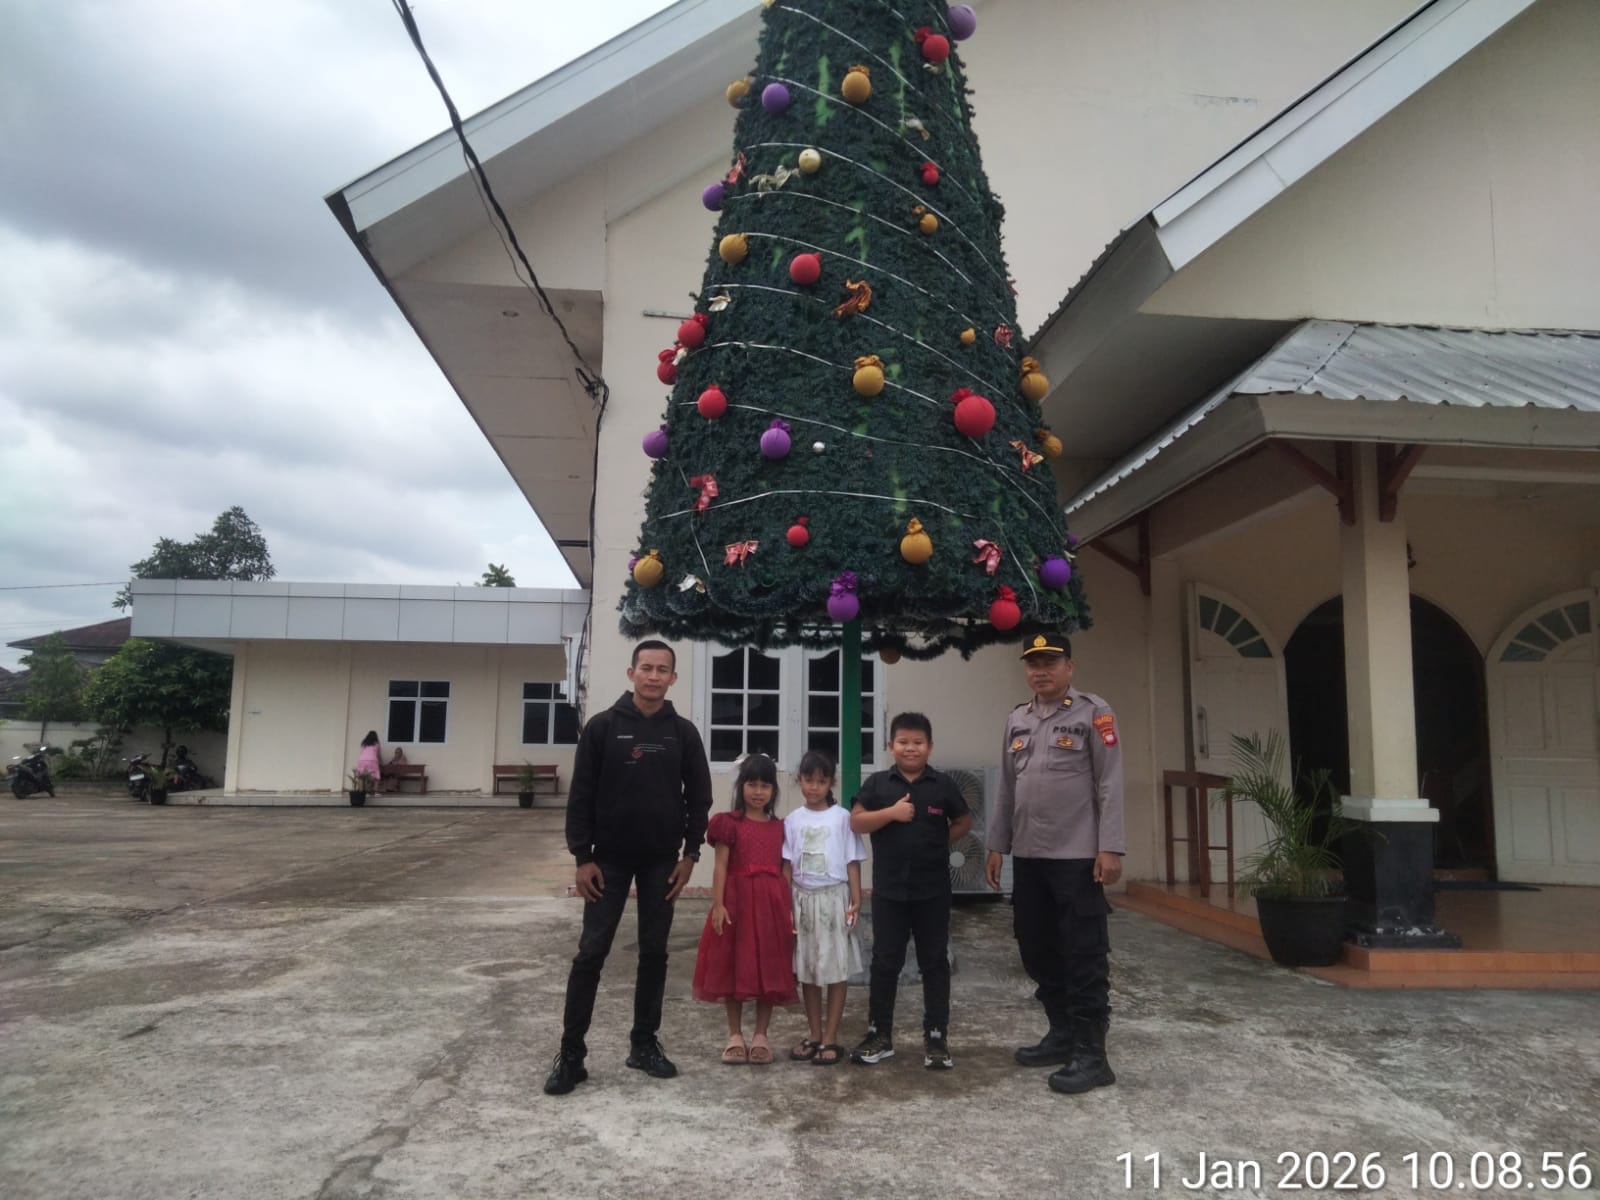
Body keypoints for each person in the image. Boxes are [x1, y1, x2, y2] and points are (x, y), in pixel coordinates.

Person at [544, 640, 713, 1096]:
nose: (654, 676)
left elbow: (699, 798)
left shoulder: (683, 733)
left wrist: (691, 855)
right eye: (647, 668)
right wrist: (582, 858)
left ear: (673, 678)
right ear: (631, 672)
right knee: (590, 954)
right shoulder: (602, 728)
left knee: (654, 953)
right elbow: (580, 796)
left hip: (661, 863)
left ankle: (644, 1044)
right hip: (607, 863)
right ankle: (571, 1055)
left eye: (662, 669)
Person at [985, 633, 1125, 1096]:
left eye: (1050, 662)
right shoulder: (1017, 719)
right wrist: (997, 844)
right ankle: (1062, 1033)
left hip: (1078, 856)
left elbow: (1109, 783)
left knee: (1083, 953)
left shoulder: (1093, 713)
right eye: (1033, 663)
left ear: (1069, 667)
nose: (1040, 670)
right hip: (1029, 854)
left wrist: (1111, 847)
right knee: (1036, 945)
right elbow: (1007, 788)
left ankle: (1092, 1055)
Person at [848, 713, 972, 1069]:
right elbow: (856, 821)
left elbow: (964, 820)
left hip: (933, 891)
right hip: (889, 892)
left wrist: (939, 842)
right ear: (891, 746)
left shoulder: (942, 785)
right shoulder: (878, 784)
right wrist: (891, 813)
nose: (910, 748)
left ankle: (936, 1038)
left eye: (918, 743)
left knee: (935, 962)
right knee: (885, 961)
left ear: (929, 747)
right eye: (903, 742)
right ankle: (879, 1034)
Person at [691, 753, 797, 1065]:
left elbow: (786, 870)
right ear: (741, 786)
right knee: (732, 966)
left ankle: (761, 1035)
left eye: (765, 785)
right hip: (735, 904)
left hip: (771, 907)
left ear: (774, 790)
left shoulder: (781, 828)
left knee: (769, 969)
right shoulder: (728, 824)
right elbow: (720, 866)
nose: (758, 791)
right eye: (752, 784)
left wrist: (787, 909)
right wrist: (718, 904)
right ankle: (735, 1034)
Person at [782, 750, 866, 1066]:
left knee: (835, 968)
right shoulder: (792, 820)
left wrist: (856, 899)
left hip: (834, 898)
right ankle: (814, 1033)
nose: (814, 787)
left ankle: (831, 1037)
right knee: (807, 968)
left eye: (821, 781)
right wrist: (785, 904)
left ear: (831, 782)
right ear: (799, 780)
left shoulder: (843, 818)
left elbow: (852, 861)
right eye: (808, 780)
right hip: (802, 900)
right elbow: (787, 866)